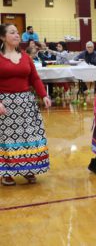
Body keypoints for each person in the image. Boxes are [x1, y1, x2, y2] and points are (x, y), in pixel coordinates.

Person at [0, 23, 51, 186]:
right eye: (12, 32)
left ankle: (29, 168)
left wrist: (44, 95)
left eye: (17, 33)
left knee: (30, 136)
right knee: (7, 139)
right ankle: (7, 172)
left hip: (26, 104)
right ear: (2, 37)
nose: (16, 35)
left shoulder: (25, 57)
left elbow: (35, 78)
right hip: (5, 105)